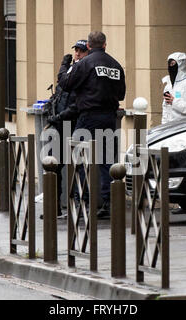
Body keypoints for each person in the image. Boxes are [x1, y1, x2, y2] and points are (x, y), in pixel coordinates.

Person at [58, 31, 126, 219]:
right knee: (107, 161)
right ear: (105, 44)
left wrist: (64, 66)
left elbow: (66, 83)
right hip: (109, 118)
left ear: (88, 46)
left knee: (81, 159)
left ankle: (84, 201)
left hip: (88, 117)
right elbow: (121, 95)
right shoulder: (116, 65)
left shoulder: (84, 63)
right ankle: (109, 203)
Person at [42, 39, 89, 219]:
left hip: (74, 123)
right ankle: (54, 207)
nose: (77, 53)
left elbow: (77, 103)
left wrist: (60, 116)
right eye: (76, 50)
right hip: (59, 124)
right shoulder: (71, 69)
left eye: (81, 51)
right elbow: (61, 86)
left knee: (79, 166)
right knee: (52, 164)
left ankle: (79, 206)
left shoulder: (84, 71)